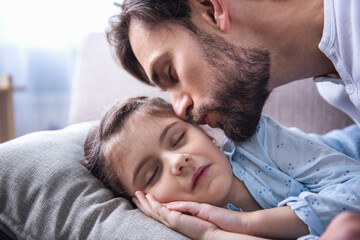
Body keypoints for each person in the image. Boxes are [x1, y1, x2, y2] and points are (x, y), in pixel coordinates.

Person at [84, 96, 360, 240]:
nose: (177, 161)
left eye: (178, 139)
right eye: (152, 174)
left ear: (206, 133)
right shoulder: (187, 229)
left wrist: (246, 224)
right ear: (146, 204)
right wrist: (211, 235)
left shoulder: (258, 140)